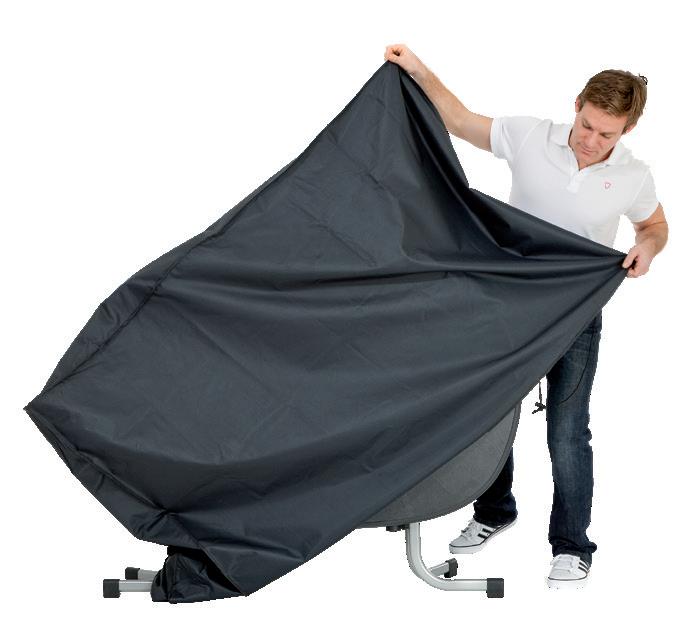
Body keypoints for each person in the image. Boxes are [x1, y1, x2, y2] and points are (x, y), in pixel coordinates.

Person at [384, 44, 669, 589]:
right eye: (587, 125)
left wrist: (647, 250)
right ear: (577, 105)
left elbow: (654, 226)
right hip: (507, 307)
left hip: (575, 315)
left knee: (567, 431)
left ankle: (572, 546)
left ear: (627, 130)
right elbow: (459, 120)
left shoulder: (634, 176)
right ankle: (494, 511)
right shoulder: (531, 136)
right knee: (489, 414)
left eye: (606, 134)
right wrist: (417, 69)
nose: (591, 140)